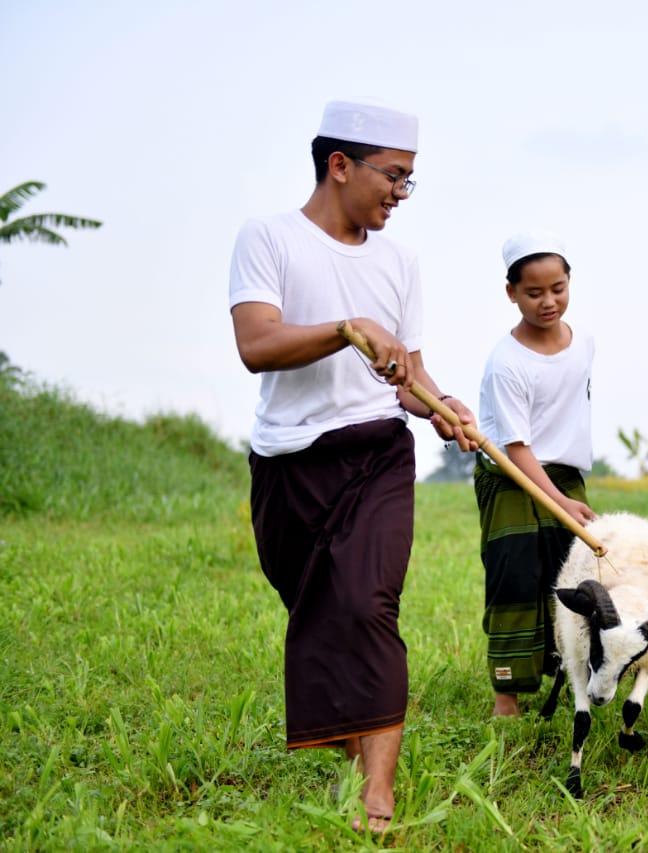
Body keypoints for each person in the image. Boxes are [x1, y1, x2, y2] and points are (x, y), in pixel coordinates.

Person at [228, 97, 479, 832]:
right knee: (318, 614)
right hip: (286, 461)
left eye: (409, 181)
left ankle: (378, 795)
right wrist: (345, 329)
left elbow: (409, 373)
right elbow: (256, 345)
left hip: (375, 450)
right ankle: (353, 745)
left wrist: (442, 405)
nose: (401, 195)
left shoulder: (399, 262)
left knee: (369, 606)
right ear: (340, 165)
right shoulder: (268, 238)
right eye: (393, 177)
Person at [473, 231, 597, 718]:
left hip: (563, 472)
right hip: (510, 473)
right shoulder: (507, 363)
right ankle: (507, 696)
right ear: (511, 293)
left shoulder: (584, 341)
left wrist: (566, 495)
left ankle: (572, 679)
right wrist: (560, 503)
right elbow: (517, 447)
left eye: (558, 288)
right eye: (534, 292)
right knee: (517, 576)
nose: (549, 301)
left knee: (573, 573)